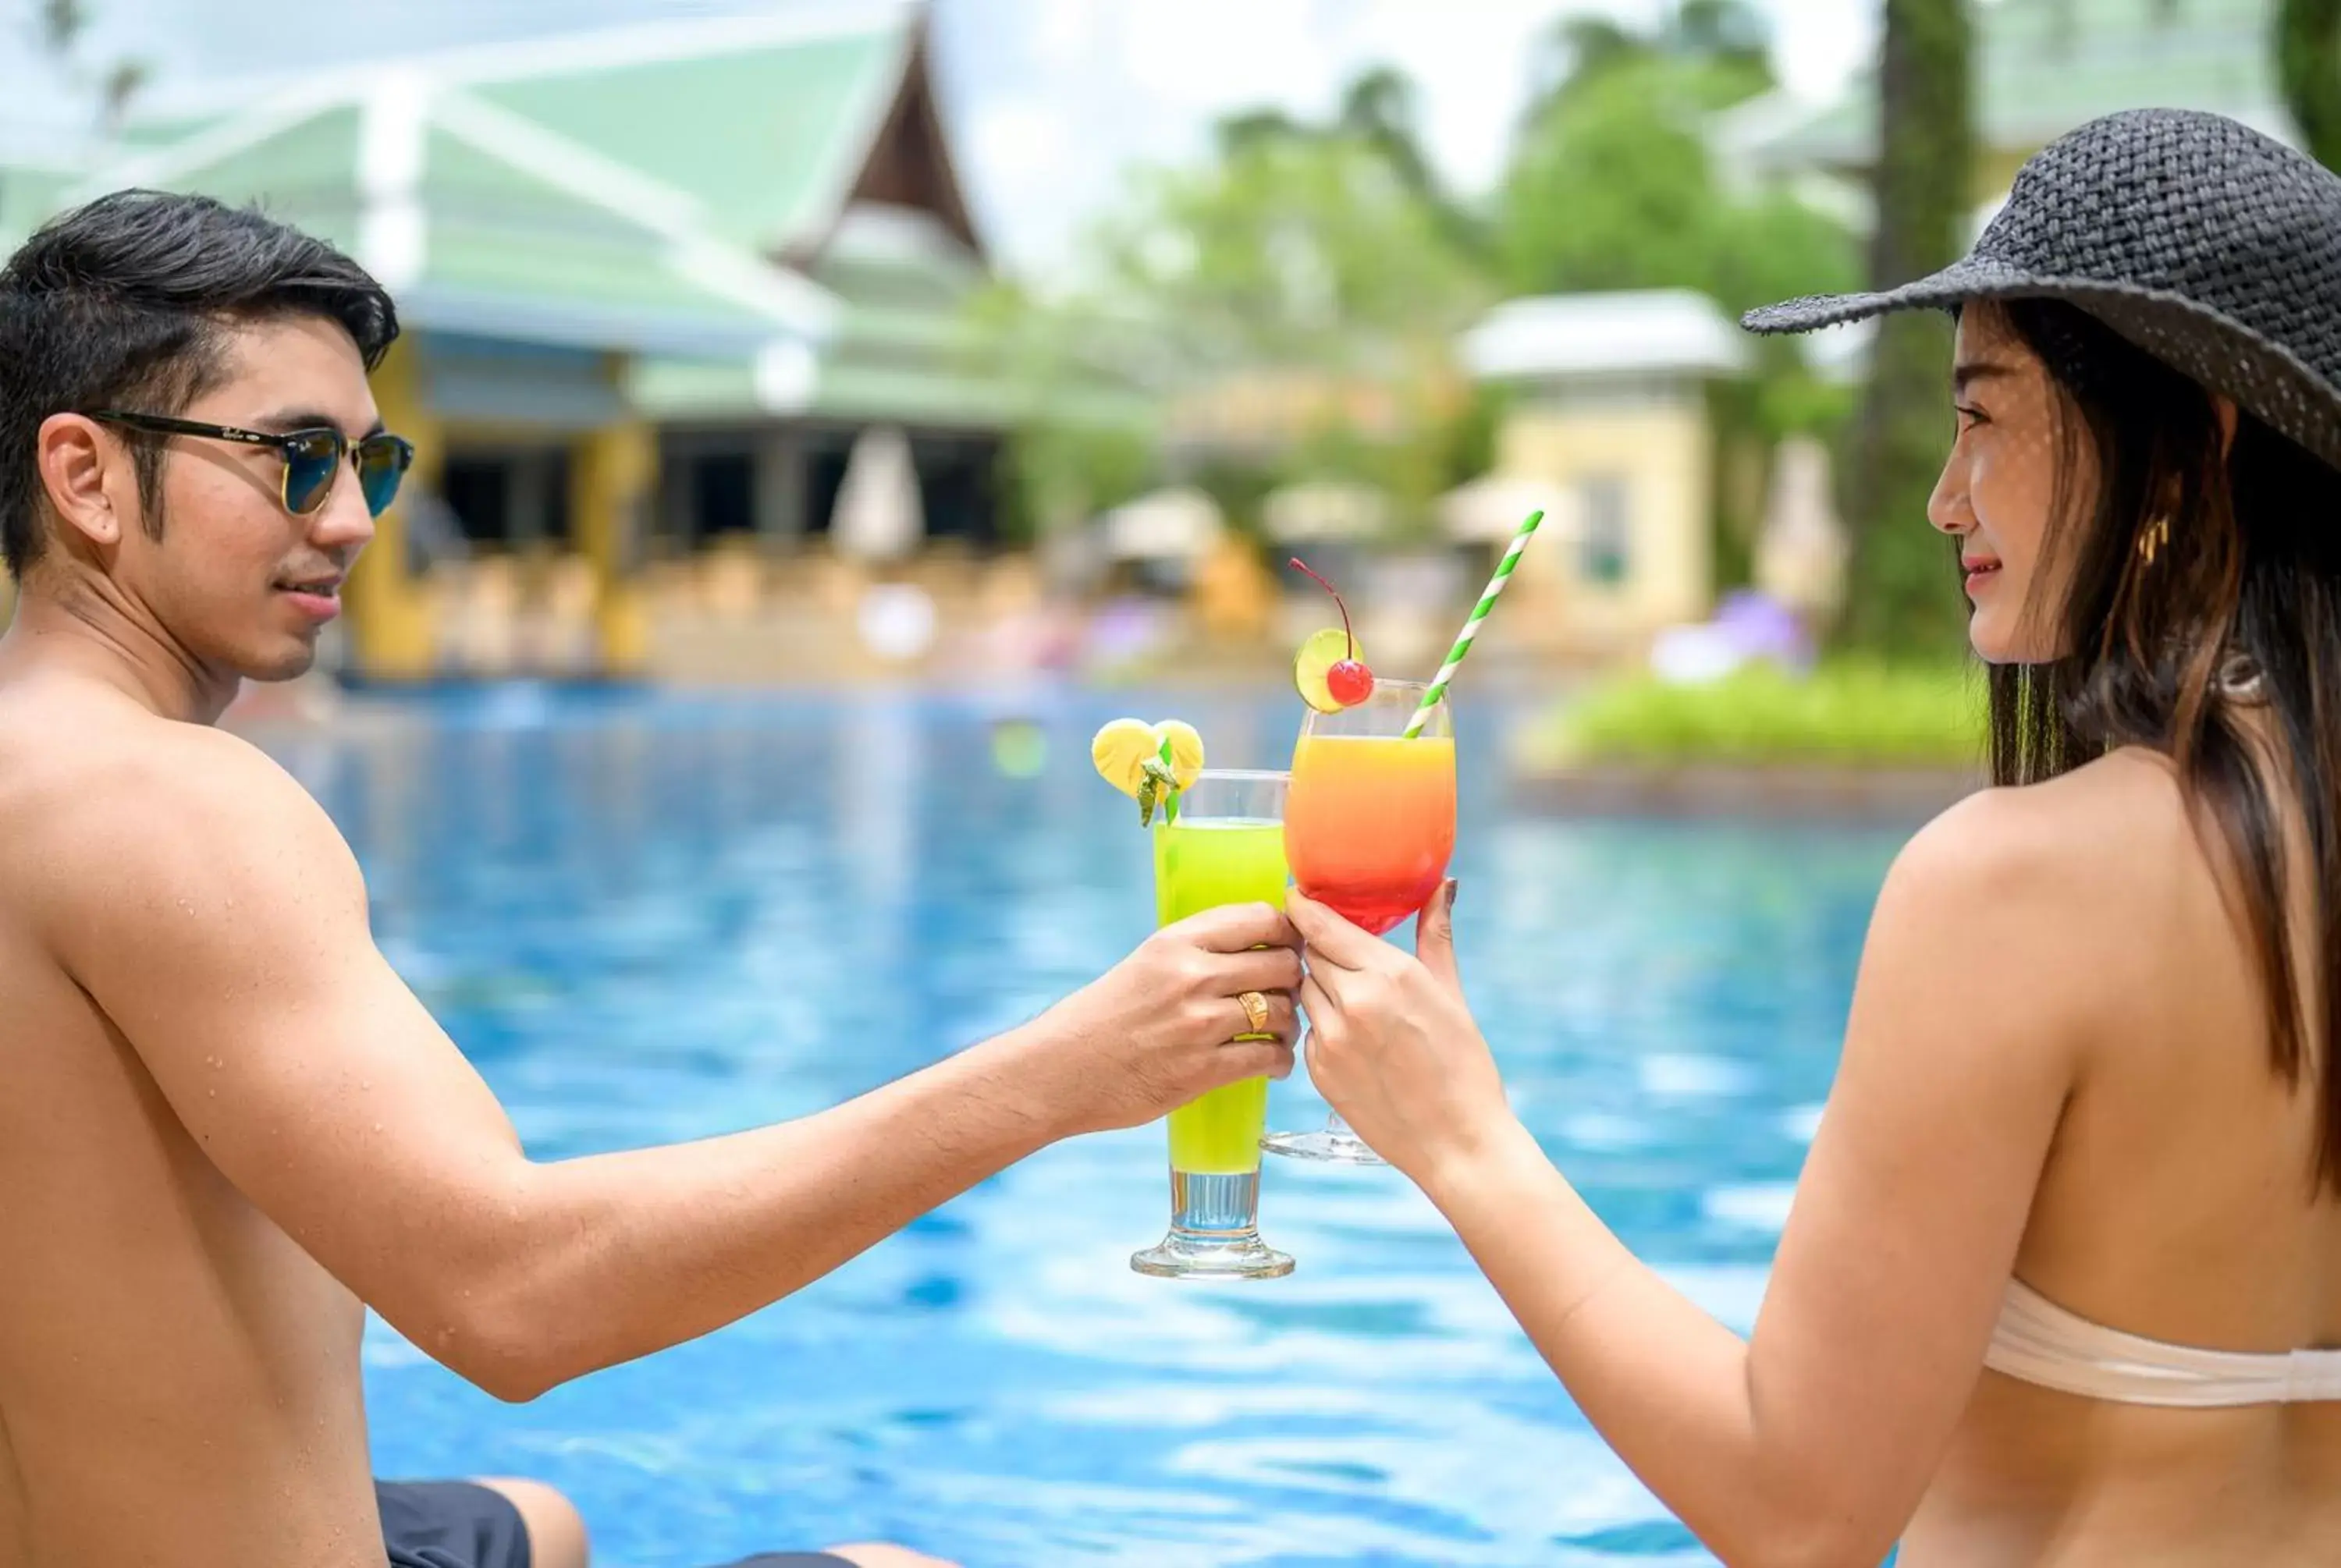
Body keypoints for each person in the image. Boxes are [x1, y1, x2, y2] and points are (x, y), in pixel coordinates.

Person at [0, 190, 1305, 1568]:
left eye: (372, 467)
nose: (352, 522)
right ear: (84, 476)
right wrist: (1062, 1073)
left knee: (537, 1523)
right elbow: (509, 1294)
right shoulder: (170, 806)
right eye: (296, 457)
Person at [1285, 108, 2341, 1566]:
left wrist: (1462, 1136)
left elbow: (1803, 1509)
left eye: (1980, 415)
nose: (1941, 498)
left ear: (2190, 449)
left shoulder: (2019, 888)